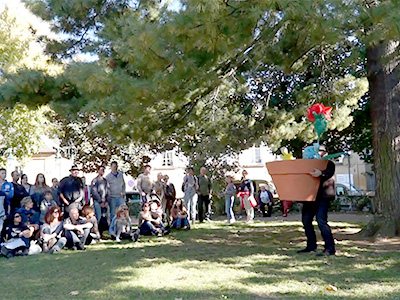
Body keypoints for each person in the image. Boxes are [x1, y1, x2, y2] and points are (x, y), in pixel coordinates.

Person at [297, 146, 336, 256]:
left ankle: (329, 248)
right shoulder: (308, 164)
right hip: (310, 196)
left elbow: (329, 172)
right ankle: (311, 246)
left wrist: (321, 173)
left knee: (321, 221)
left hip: (323, 196)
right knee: (306, 221)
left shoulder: (328, 163)